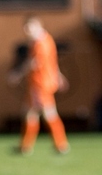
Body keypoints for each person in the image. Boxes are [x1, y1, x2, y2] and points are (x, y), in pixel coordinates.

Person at [8, 16, 70, 155]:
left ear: (37, 26)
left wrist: (17, 74)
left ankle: (61, 145)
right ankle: (26, 146)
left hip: (40, 84)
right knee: (31, 114)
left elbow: (34, 63)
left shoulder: (40, 43)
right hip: (42, 83)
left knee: (47, 114)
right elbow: (52, 62)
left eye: (29, 28)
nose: (27, 32)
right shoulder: (47, 40)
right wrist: (58, 76)